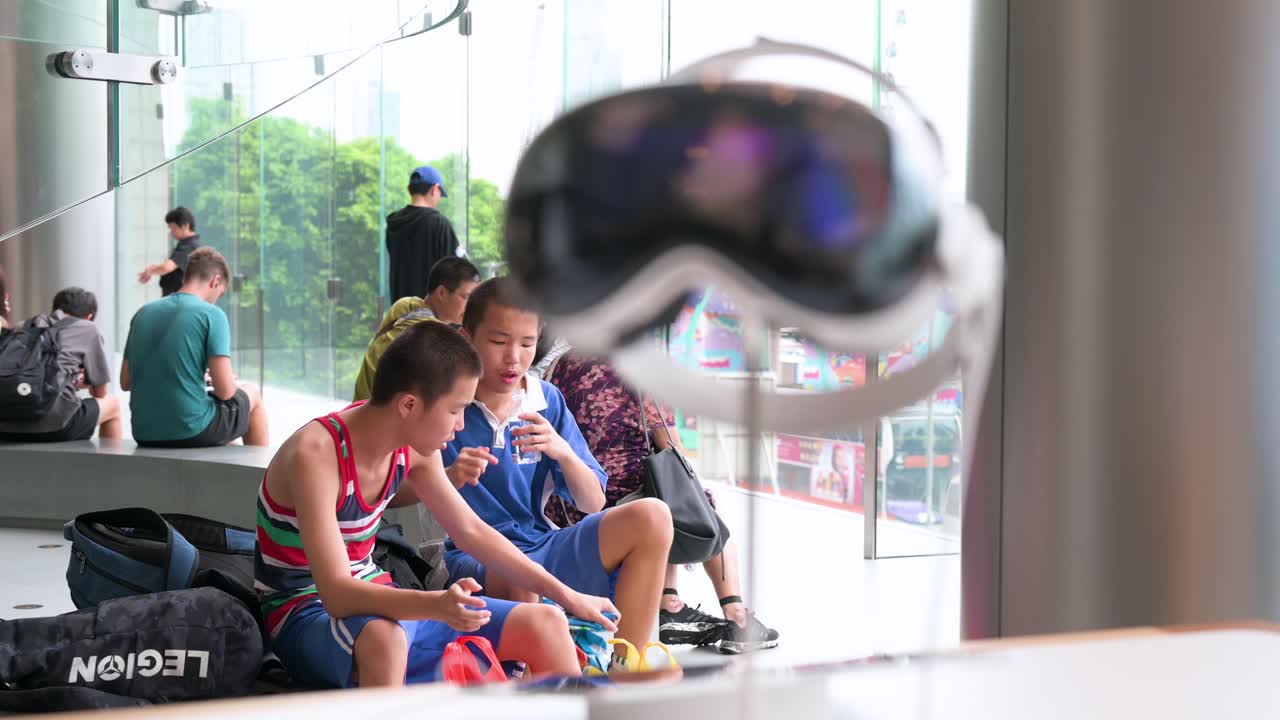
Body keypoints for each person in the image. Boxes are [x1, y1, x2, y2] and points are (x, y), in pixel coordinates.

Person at [255, 321, 616, 687]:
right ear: (409, 405)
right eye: (456, 409)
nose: (460, 425)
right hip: (303, 610)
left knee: (547, 623)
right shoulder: (316, 454)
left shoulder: (414, 448)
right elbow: (336, 595)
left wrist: (569, 597)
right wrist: (437, 605)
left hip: (378, 595)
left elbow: (473, 532)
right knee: (387, 640)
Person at [445, 277, 675, 670]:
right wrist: (451, 474)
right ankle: (533, 677)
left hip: (542, 544)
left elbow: (593, 502)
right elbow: (402, 486)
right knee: (518, 572)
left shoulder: (546, 400)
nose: (513, 359)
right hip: (475, 556)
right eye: (499, 342)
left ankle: (625, 665)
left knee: (653, 515)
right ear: (467, 337)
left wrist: (561, 450)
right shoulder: (446, 401)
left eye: (527, 343)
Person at [538, 339, 780, 655]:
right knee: (694, 503)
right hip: (627, 501)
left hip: (569, 501)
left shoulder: (561, 365)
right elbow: (668, 443)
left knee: (662, 498)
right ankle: (736, 617)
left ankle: (670, 603)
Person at [121, 247, 269, 447]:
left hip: (144, 431)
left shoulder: (143, 313)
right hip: (190, 429)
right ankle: (263, 476)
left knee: (222, 428)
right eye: (220, 292)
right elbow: (225, 392)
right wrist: (228, 382)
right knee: (252, 393)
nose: (217, 298)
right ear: (215, 281)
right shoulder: (212, 314)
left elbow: (126, 381)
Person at [0, 288, 123, 443]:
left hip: (5, 424)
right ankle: (110, 466)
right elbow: (100, 392)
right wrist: (86, 382)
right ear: (89, 317)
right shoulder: (87, 327)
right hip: (53, 426)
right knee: (113, 405)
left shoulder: (23, 326)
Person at [352, 257, 481, 402]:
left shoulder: (405, 305)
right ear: (442, 293)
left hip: (361, 408)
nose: (471, 306)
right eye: (466, 297)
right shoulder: (432, 336)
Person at [386, 166, 461, 301]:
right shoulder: (439, 224)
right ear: (434, 189)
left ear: (409, 189)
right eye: (439, 193)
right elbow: (457, 272)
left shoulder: (394, 225)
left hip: (401, 313)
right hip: (430, 315)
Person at [138, 207, 204, 297]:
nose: (171, 232)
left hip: (178, 299)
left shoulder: (189, 246)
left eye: (173, 228)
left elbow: (167, 267)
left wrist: (149, 271)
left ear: (185, 226)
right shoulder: (189, 244)